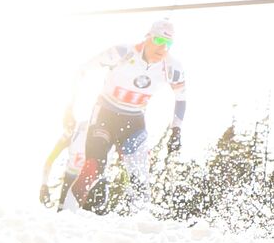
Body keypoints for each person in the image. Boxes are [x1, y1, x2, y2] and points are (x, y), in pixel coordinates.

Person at [58, 19, 188, 212]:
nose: (163, 48)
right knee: (93, 168)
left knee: (140, 179)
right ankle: (64, 216)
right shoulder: (122, 53)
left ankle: (141, 227)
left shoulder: (172, 68)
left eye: (168, 44)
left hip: (134, 120)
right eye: (160, 41)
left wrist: (176, 130)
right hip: (105, 115)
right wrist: (69, 107)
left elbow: (181, 98)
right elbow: (82, 70)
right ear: (148, 38)